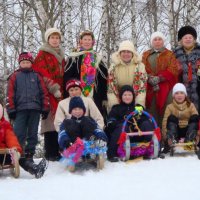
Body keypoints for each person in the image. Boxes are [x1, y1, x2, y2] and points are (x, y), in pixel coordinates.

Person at [6, 52, 49, 167]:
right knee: (19, 132)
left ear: (31, 63)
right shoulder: (14, 76)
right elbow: (10, 94)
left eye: (28, 62)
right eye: (23, 62)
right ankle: (19, 154)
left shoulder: (37, 76)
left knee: (33, 133)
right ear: (20, 63)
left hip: (35, 109)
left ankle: (30, 155)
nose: (25, 64)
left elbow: (43, 93)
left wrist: (45, 108)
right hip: (20, 110)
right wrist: (11, 110)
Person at [33, 27, 65, 161]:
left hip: (62, 93)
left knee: (61, 120)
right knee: (50, 122)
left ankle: (60, 149)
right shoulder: (42, 54)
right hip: (49, 93)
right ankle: (51, 152)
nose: (55, 40)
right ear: (48, 39)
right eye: (52, 37)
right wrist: (53, 88)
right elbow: (41, 73)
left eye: (57, 38)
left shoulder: (61, 54)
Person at [105, 85, 154, 162]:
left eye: (129, 95)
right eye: (125, 95)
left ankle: (153, 149)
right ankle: (112, 154)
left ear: (133, 96)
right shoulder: (116, 108)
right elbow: (111, 119)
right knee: (122, 127)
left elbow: (147, 118)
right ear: (121, 97)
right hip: (123, 136)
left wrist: (142, 120)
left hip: (138, 135)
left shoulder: (138, 107)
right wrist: (113, 122)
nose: (127, 97)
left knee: (147, 124)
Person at [63, 30, 108, 115]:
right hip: (76, 94)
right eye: (85, 39)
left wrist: (103, 97)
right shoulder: (73, 57)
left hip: (94, 95)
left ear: (92, 42)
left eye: (89, 39)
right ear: (80, 41)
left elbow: (103, 79)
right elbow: (67, 76)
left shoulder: (98, 58)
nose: (87, 42)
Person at [0, 103, 47, 178]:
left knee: (20, 158)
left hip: (3, 155)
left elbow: (11, 139)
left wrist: (16, 150)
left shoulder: (5, 125)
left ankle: (34, 169)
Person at [142, 31, 178, 127]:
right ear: (152, 42)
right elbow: (141, 68)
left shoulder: (170, 54)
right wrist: (149, 78)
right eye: (155, 39)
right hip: (150, 88)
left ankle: (166, 136)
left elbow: (173, 69)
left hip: (165, 88)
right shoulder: (146, 55)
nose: (157, 42)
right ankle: (153, 137)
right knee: (151, 112)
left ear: (163, 41)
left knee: (166, 112)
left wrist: (160, 78)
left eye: (159, 39)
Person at [107, 40, 147, 112]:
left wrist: (139, 104)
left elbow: (142, 87)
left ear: (132, 53)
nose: (126, 54)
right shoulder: (113, 67)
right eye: (123, 52)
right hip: (119, 100)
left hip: (135, 99)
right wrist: (114, 105)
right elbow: (111, 88)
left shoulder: (139, 66)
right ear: (120, 53)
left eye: (128, 52)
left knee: (137, 119)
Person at [162, 83, 199, 152]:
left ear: (185, 95)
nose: (179, 95)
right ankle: (173, 142)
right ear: (173, 96)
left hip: (188, 131)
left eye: (182, 93)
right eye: (177, 93)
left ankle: (189, 142)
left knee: (195, 117)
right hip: (176, 131)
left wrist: (198, 135)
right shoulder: (170, 107)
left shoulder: (191, 105)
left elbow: (198, 123)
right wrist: (166, 138)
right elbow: (164, 123)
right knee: (171, 118)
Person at [174, 26, 200, 113]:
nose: (188, 40)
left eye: (190, 37)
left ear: (194, 39)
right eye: (185, 38)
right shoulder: (174, 54)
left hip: (198, 89)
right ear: (181, 40)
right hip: (181, 91)